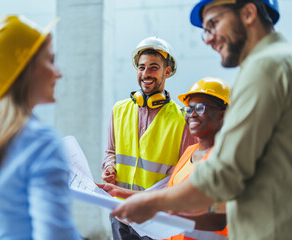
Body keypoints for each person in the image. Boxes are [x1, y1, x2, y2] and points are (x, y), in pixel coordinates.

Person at [111, 0, 292, 239]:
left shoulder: (265, 67)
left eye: (214, 24)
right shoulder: (281, 61)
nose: (208, 39)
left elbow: (223, 174)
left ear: (249, 13)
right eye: (205, 31)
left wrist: (152, 204)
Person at [0, 15, 81, 240]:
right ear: (25, 69)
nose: (58, 73)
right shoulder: (42, 142)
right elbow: (54, 235)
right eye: (50, 61)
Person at [100, 77, 230, 240]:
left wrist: (157, 213)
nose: (192, 115)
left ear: (223, 115)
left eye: (200, 108)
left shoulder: (226, 160)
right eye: (188, 109)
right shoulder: (190, 152)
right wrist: (120, 192)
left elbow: (218, 220)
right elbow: (168, 196)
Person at [101, 37, 197, 240]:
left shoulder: (183, 120)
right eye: (142, 67)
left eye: (154, 67)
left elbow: (184, 177)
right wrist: (109, 168)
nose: (146, 74)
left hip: (155, 219)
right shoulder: (119, 110)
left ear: (167, 71)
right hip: (120, 212)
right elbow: (111, 152)